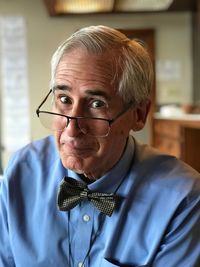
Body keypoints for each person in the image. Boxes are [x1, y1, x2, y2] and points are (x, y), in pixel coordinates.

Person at [0, 25, 199, 267]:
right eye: (64, 100)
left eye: (96, 104)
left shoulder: (182, 199)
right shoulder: (21, 171)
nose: (72, 129)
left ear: (138, 114)